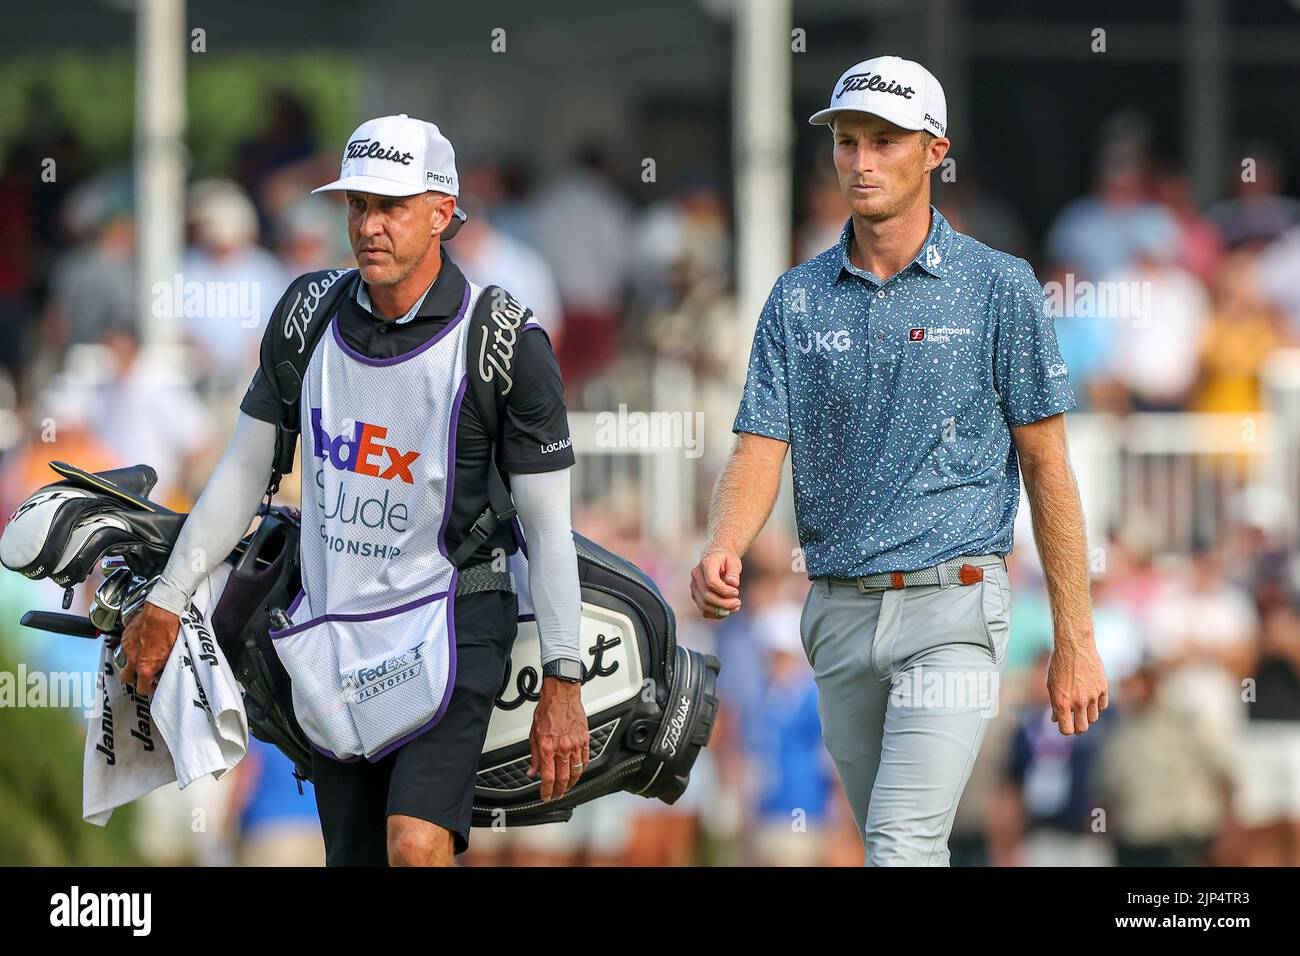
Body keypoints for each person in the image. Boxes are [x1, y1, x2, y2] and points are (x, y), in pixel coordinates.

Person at [118, 114, 588, 867]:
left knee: (415, 844)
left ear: (442, 212)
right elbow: (244, 470)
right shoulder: (306, 315)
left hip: (455, 614)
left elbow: (548, 527)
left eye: (391, 206)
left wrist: (563, 679)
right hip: (334, 621)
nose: (369, 226)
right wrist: (170, 598)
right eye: (357, 206)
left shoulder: (504, 342)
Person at [690, 56, 1108, 866]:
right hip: (837, 613)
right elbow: (758, 449)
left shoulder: (1000, 286)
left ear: (935, 152)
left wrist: (1075, 639)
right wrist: (724, 544)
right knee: (897, 846)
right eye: (847, 143)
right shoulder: (797, 297)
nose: (861, 160)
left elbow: (1048, 468)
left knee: (900, 844)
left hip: (954, 608)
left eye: (884, 140)